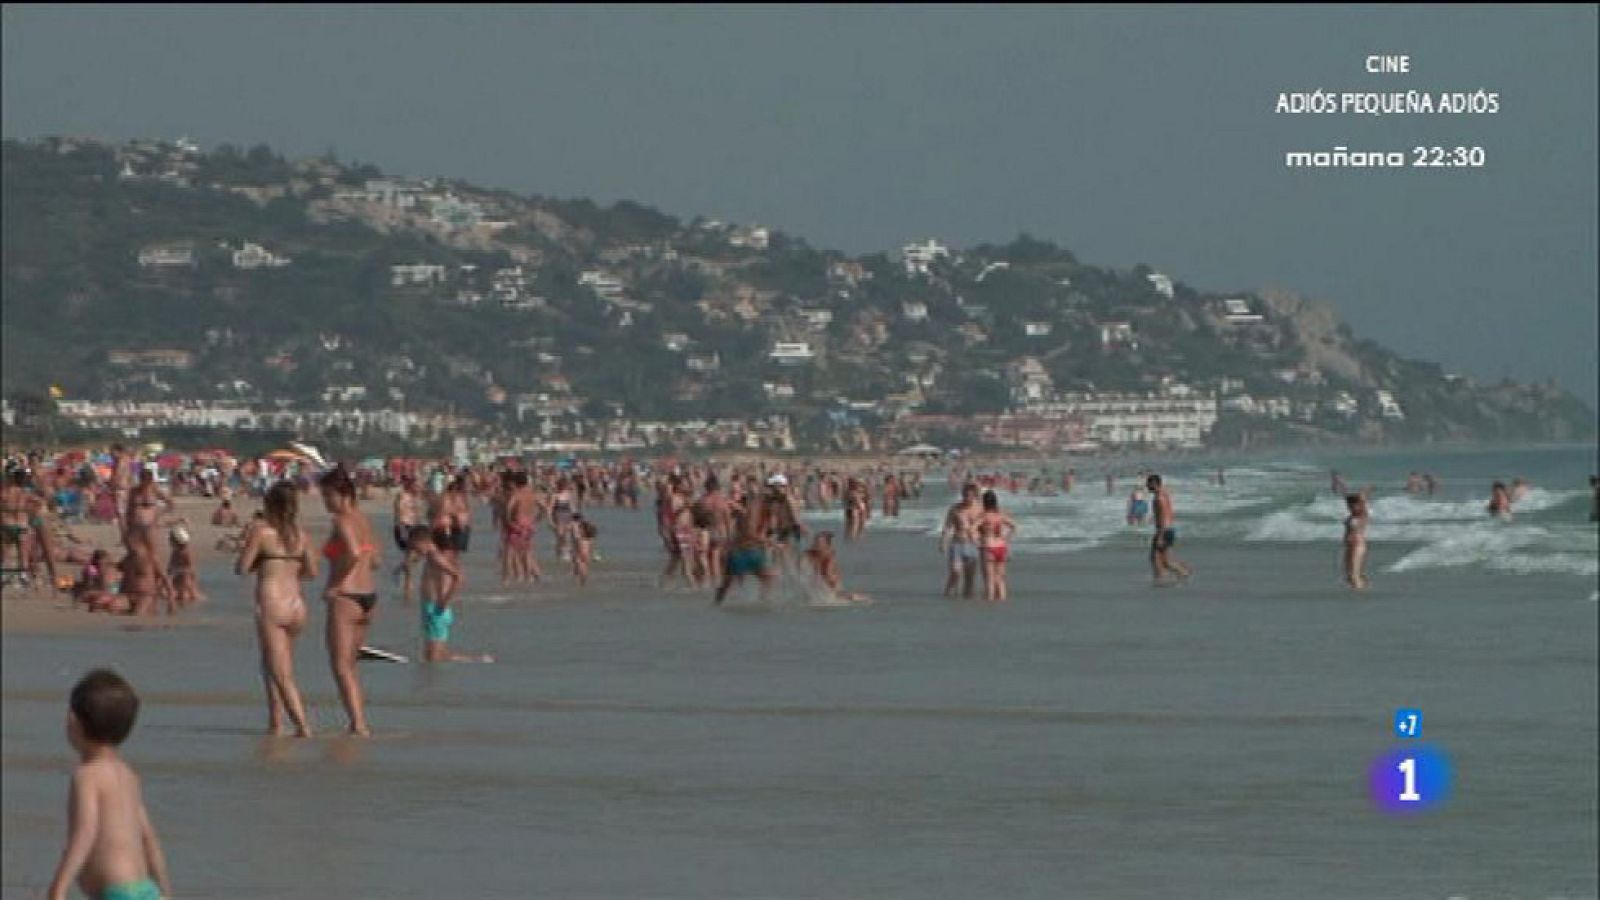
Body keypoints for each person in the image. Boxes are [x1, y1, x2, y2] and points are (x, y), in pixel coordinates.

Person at [46, 669, 173, 900]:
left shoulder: (88, 775)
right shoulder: (128, 776)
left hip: (117, 894)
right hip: (147, 891)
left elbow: (85, 833)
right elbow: (149, 839)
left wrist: (59, 887)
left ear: (72, 721)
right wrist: (165, 892)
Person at [237, 481, 316, 737]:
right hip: (296, 604)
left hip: (272, 603)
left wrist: (265, 564)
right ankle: (275, 721)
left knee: (281, 673)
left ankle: (302, 726)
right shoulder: (301, 535)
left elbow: (242, 567)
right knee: (273, 664)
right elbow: (311, 572)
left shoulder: (262, 533)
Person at [320, 466, 380, 736]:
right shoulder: (362, 519)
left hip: (347, 597)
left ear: (340, 494)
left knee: (340, 665)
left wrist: (337, 584)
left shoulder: (342, 521)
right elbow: (375, 559)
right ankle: (358, 721)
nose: (325, 502)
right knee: (351, 665)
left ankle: (358, 724)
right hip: (368, 595)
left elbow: (354, 553)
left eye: (327, 496)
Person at [408, 526, 491, 663]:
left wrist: (445, 601)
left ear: (424, 542)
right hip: (430, 608)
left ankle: (475, 660)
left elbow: (458, 576)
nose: (416, 551)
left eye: (416, 547)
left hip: (437, 609)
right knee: (430, 655)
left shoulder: (436, 557)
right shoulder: (430, 557)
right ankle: (475, 660)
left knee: (434, 658)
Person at [939, 483, 982, 599]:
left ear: (974, 496)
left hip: (973, 544)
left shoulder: (980, 509)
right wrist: (943, 542)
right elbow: (948, 527)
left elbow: (986, 527)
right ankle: (947, 593)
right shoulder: (955, 509)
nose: (967, 498)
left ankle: (966, 601)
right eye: (965, 495)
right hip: (957, 543)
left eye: (969, 496)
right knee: (955, 571)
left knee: (969, 578)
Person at [1147, 474, 1192, 585]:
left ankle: (1179, 574)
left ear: (1154, 484)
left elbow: (1162, 516)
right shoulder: (1165, 494)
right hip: (1169, 529)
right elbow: (1168, 513)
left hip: (1164, 530)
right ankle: (1179, 573)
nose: (1147, 487)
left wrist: (1160, 535)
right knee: (1163, 560)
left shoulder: (1159, 498)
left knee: (1158, 559)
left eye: (1148, 484)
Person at [976, 490, 1018, 602]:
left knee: (989, 580)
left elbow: (971, 529)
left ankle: (989, 602)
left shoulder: (984, 516)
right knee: (1000, 579)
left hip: (988, 546)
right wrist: (1006, 538)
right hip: (1001, 546)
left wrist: (977, 542)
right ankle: (1002, 602)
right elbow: (1014, 526)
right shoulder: (1000, 515)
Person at [166, 526, 202, 607]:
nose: (168, 540)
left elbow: (191, 569)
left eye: (170, 538)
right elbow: (170, 567)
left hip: (185, 582)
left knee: (184, 597)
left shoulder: (185, 553)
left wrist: (176, 572)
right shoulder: (175, 552)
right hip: (177, 581)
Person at [1343, 493, 1370, 591]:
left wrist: (1363, 498)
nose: (1350, 507)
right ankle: (1361, 588)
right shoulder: (1351, 516)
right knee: (1349, 574)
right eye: (1349, 506)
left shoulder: (1362, 515)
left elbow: (1363, 504)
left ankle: (1359, 591)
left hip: (1358, 545)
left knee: (1354, 574)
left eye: (1353, 505)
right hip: (1350, 545)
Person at [571, 513, 597, 586]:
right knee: (584, 567)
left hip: (580, 553)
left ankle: (580, 581)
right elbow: (592, 547)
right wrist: (594, 554)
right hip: (587, 554)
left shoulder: (579, 537)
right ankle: (583, 581)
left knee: (579, 566)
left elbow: (577, 543)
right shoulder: (589, 539)